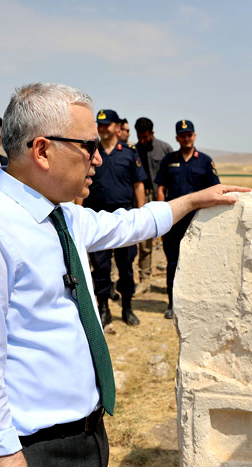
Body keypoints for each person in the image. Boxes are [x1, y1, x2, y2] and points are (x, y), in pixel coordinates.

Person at [0, 82, 247, 467]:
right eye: (89, 147)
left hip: (84, 437)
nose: (99, 160)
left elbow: (127, 225)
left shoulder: (62, 217)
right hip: (34, 455)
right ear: (42, 149)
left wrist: (191, 201)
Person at [83, 108, 147, 326]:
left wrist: (142, 216)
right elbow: (81, 183)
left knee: (126, 267)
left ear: (116, 127)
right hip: (96, 217)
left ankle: (127, 307)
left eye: (106, 124)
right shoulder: (91, 151)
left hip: (124, 218)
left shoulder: (129, 152)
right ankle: (103, 308)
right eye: (99, 124)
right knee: (100, 268)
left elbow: (139, 185)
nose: (102, 128)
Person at [155, 119, 220, 319]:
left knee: (199, 263)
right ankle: (173, 303)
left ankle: (197, 303)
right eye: (182, 135)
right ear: (177, 138)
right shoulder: (169, 160)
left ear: (194, 136)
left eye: (189, 134)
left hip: (198, 222)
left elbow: (214, 190)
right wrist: (162, 213)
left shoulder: (205, 161)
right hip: (174, 222)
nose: (186, 138)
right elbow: (160, 188)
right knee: (173, 263)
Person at [134, 117, 173, 293]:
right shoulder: (133, 150)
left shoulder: (165, 149)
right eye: (139, 137)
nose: (142, 141)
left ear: (152, 133)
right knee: (144, 241)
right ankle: (144, 280)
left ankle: (171, 280)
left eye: (145, 137)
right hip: (142, 199)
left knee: (169, 241)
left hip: (163, 199)